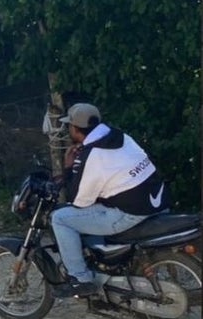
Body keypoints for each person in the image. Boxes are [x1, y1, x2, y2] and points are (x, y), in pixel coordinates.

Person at [52, 103, 169, 296]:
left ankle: (80, 279)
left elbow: (79, 201)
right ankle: (106, 260)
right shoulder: (121, 137)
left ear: (75, 128)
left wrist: (69, 167)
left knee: (60, 218)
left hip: (131, 214)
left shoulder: (92, 155)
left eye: (69, 126)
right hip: (157, 200)